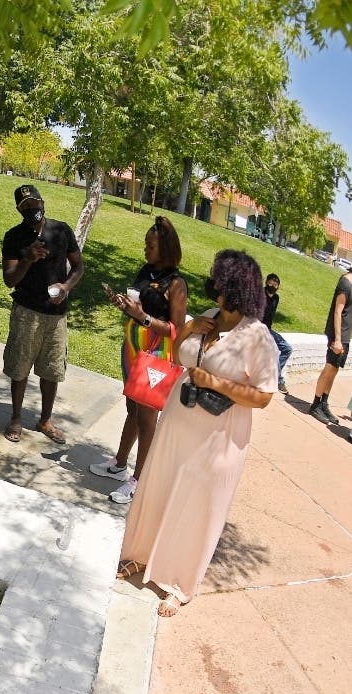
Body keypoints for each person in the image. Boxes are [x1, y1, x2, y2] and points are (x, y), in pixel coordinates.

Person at [118, 250, 277, 617]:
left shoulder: (258, 338)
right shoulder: (207, 317)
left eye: (218, 280)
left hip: (218, 435)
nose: (212, 285)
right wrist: (188, 329)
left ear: (233, 288)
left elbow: (265, 396)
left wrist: (217, 383)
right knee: (159, 486)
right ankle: (140, 557)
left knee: (197, 506)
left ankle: (178, 582)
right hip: (178, 419)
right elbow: (178, 357)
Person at [90, 217, 189, 505]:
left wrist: (143, 317)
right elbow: (140, 305)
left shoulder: (177, 283)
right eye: (146, 244)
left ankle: (139, 480)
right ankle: (119, 464)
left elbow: (177, 330)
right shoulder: (147, 271)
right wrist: (126, 305)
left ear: (166, 248)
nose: (146, 249)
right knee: (132, 408)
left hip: (156, 356)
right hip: (133, 350)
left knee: (147, 419)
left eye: (151, 245)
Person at [1, 184, 84, 443]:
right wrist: (27, 259)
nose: (31, 209)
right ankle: (16, 418)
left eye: (34, 203)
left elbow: (79, 266)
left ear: (42, 202)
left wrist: (66, 287)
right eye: (25, 206)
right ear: (18, 209)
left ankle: (46, 419)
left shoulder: (60, 230)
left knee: (52, 368)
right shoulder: (14, 237)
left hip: (56, 314)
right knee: (20, 365)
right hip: (27, 310)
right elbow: (9, 280)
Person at [309, 269, 352, 424]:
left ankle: (323, 403)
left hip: (346, 336)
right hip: (337, 335)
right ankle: (315, 404)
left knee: (334, 370)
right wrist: (338, 339)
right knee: (329, 368)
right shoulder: (345, 284)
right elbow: (337, 312)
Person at [261, 273, 292, 394]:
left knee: (287, 349)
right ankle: (279, 381)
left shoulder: (276, 298)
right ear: (266, 282)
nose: (273, 285)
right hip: (258, 328)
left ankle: (274, 375)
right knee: (273, 350)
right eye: (271, 282)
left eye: (275, 283)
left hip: (268, 330)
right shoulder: (260, 294)